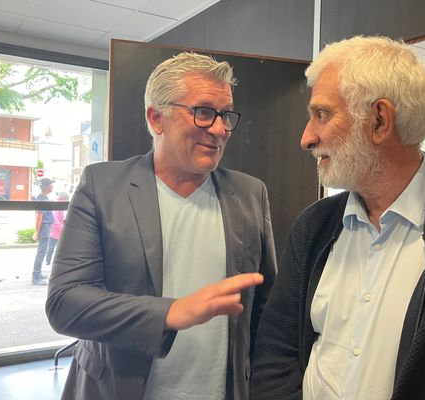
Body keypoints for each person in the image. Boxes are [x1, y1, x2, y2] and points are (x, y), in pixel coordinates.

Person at [251, 36, 425, 400]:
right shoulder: (314, 226)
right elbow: (275, 354)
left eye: (323, 114)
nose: (306, 138)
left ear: (379, 120)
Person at [46, 52, 277, 400]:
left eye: (225, 115)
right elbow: (65, 303)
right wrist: (170, 313)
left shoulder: (249, 194)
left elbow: (264, 312)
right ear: (157, 118)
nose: (218, 130)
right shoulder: (104, 187)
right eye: (202, 113)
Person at [31, 177, 54, 285]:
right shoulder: (42, 199)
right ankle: (36, 277)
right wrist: (37, 232)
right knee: (41, 252)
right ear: (46, 187)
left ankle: (38, 273)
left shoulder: (43, 198)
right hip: (44, 228)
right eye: (50, 185)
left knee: (42, 252)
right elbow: (39, 217)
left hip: (46, 227)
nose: (52, 186)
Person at [45, 191, 69, 266]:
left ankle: (57, 262)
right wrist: (62, 228)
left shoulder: (61, 206)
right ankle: (48, 262)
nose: (67, 201)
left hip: (59, 232)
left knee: (59, 248)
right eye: (66, 199)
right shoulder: (56, 206)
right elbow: (55, 220)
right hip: (54, 232)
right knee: (51, 248)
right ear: (62, 198)